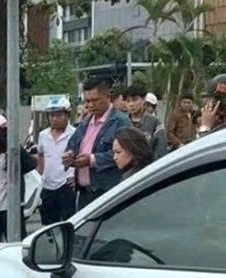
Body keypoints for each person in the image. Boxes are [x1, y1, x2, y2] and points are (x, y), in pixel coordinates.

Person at [63, 77, 132, 210]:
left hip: (108, 192)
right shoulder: (85, 122)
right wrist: (69, 155)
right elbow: (72, 145)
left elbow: (125, 154)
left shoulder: (121, 122)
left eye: (95, 100)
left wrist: (91, 160)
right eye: (87, 101)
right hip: (84, 192)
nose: (90, 105)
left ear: (108, 97)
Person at [37, 97, 77, 225]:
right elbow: (40, 155)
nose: (54, 119)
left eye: (59, 115)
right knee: (48, 225)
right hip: (47, 185)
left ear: (67, 115)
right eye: (51, 115)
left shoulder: (75, 134)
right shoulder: (43, 135)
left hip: (66, 184)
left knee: (69, 223)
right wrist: (41, 174)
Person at [126, 83, 168, 160]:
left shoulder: (156, 124)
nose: (131, 104)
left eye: (135, 100)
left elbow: (160, 153)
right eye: (128, 101)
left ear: (143, 100)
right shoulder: (122, 122)